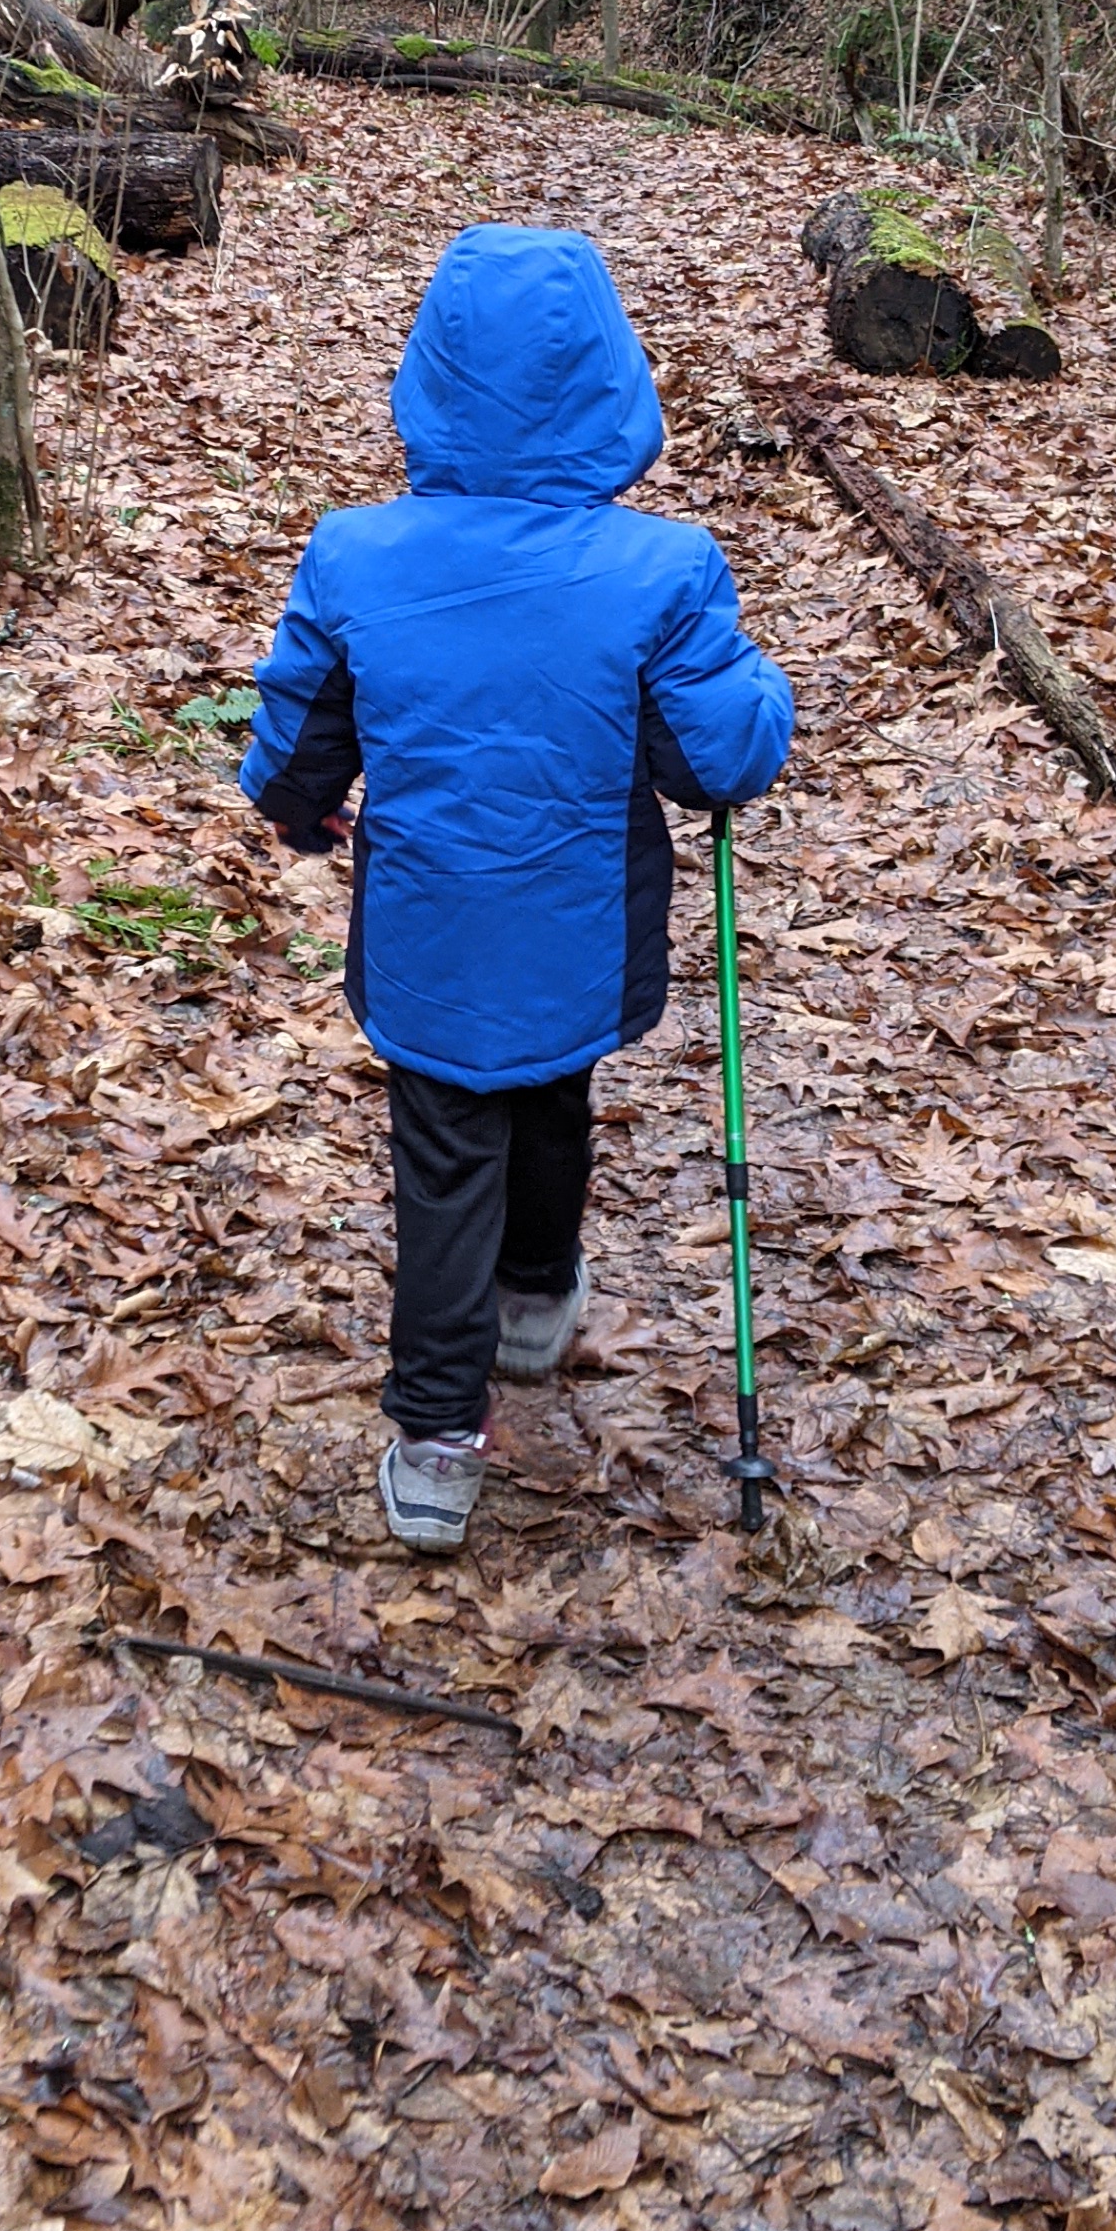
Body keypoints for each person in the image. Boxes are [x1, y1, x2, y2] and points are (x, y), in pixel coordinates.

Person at [240, 225, 793, 1552]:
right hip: (582, 935)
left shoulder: (356, 555)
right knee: (552, 1097)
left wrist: (306, 814)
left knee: (445, 1162)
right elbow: (723, 757)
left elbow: (298, 746)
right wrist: (753, 687)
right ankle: (537, 1300)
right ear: (613, 378)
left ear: (427, 376)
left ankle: (437, 1439)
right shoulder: (661, 570)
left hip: (429, 934)